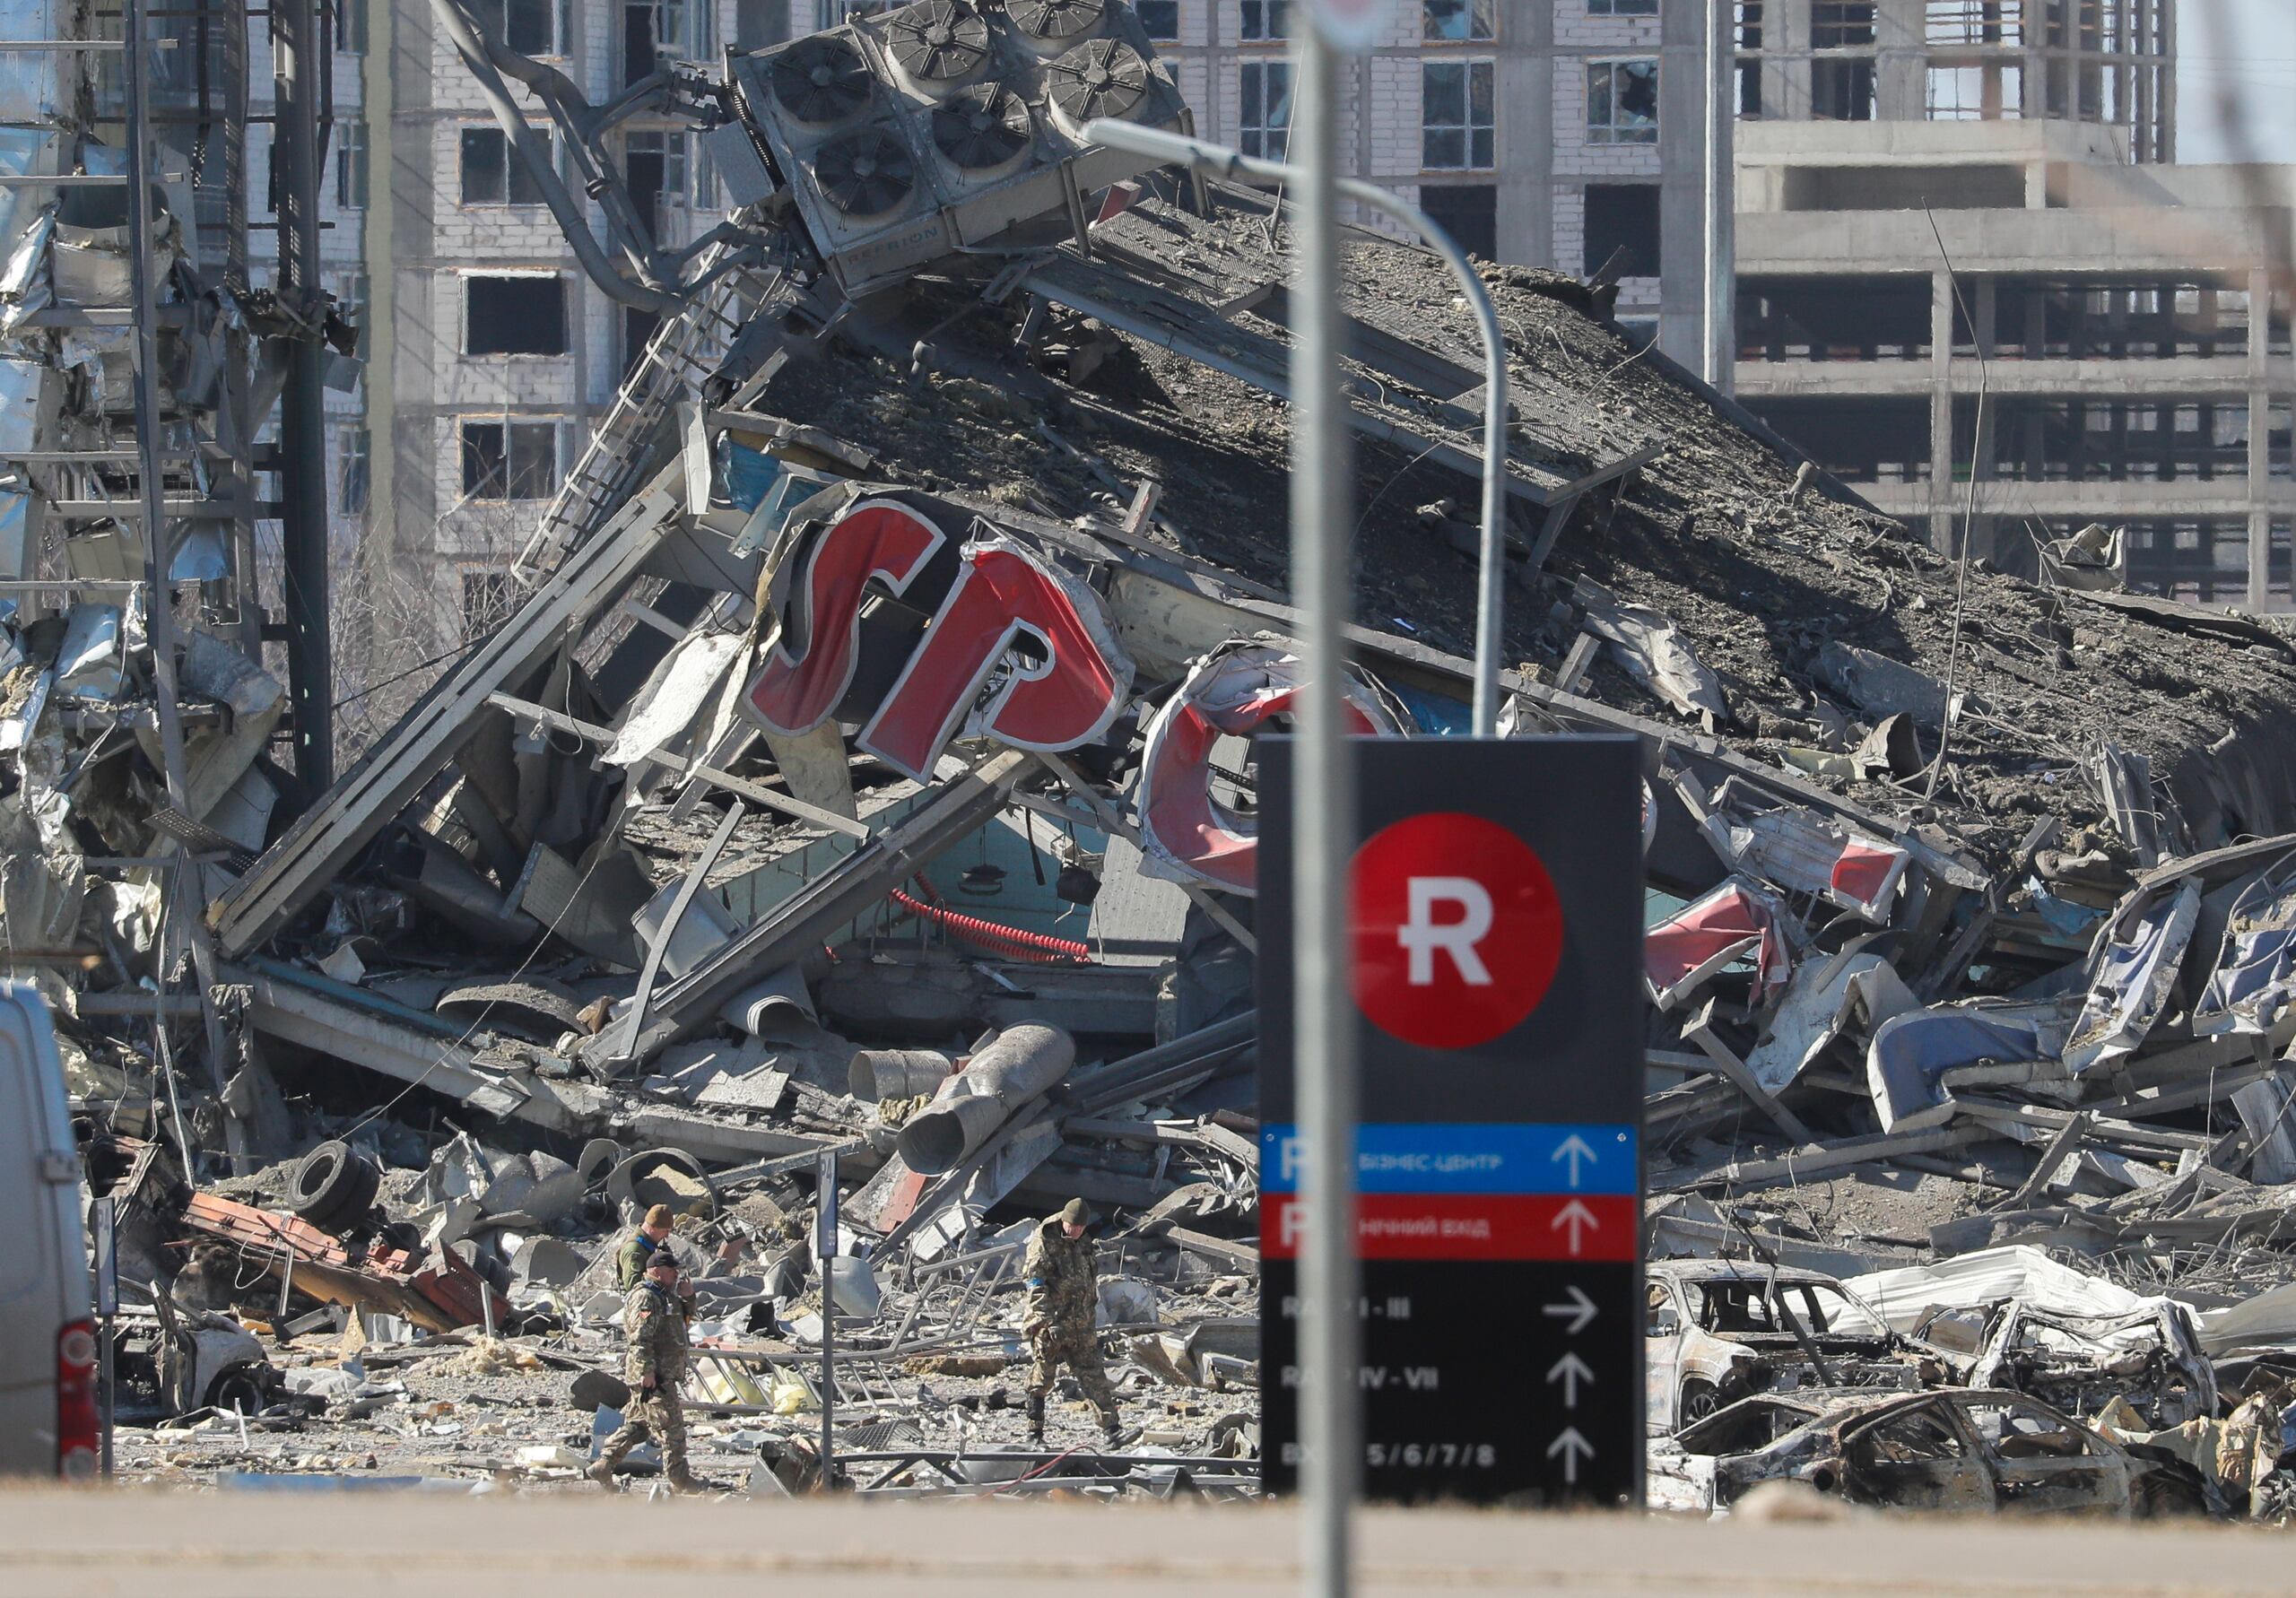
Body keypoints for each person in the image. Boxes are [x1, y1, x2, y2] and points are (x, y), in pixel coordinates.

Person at [589, 1250, 702, 1491]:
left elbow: (683, 1322)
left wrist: (688, 1297)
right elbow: (640, 1337)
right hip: (654, 1377)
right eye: (672, 1271)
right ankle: (680, 1478)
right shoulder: (646, 1297)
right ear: (657, 1271)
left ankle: (603, 1464)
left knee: (638, 1426)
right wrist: (646, 1371)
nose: (676, 1275)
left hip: (660, 1374)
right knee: (672, 1428)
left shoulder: (665, 1296)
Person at [1021, 1196, 1120, 1448]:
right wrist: (1045, 1321)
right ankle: (1035, 1432)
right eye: (1071, 1227)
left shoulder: (1083, 1242)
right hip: (1051, 1324)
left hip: (1081, 1323)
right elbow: (1035, 1284)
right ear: (1063, 1220)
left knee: (1093, 1374)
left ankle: (1112, 1430)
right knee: (1043, 1378)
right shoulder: (1044, 1241)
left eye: (1079, 1228)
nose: (1074, 1232)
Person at [614, 1203, 677, 1290]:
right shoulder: (635, 1250)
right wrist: (657, 1275)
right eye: (664, 1231)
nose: (666, 1235)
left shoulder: (650, 1244)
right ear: (652, 1228)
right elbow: (632, 1285)